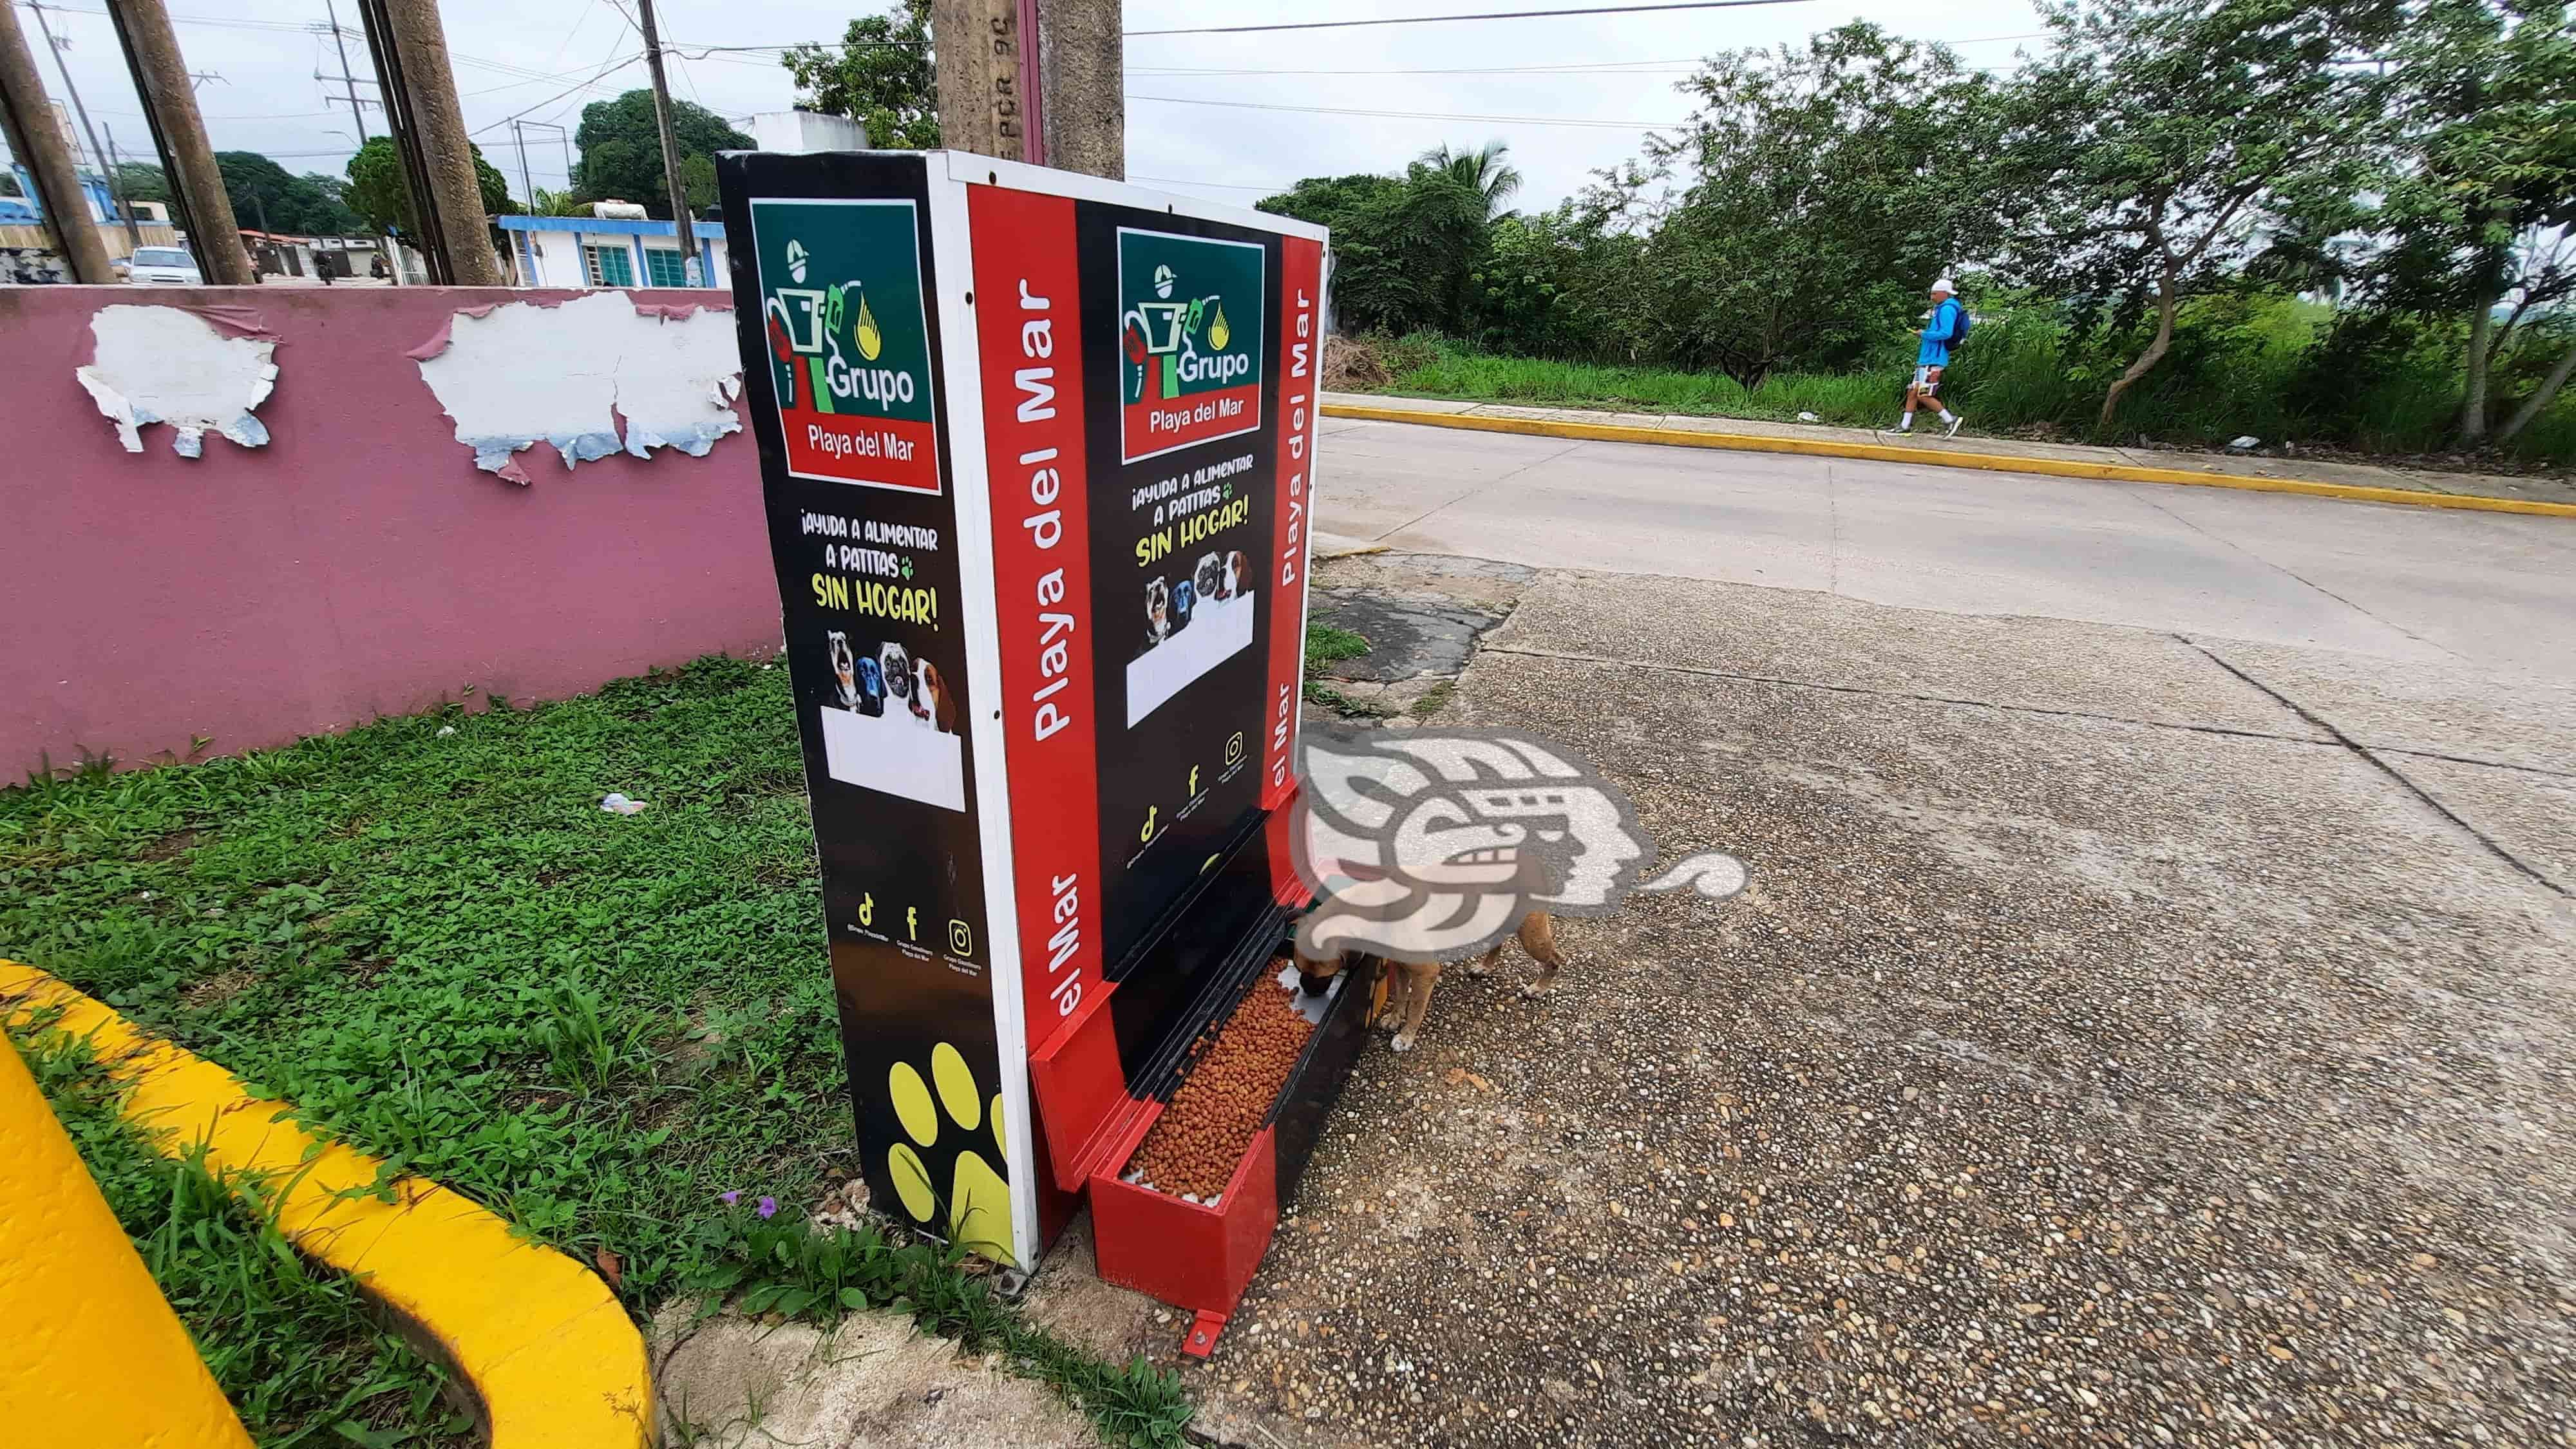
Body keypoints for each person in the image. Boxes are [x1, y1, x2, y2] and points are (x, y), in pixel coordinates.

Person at [1886, 279, 1966, 439]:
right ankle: (1905, 426)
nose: (1932, 297)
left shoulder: (1948, 309)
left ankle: (1950, 419)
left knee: (1924, 395)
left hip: (1935, 360)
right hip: (1927, 359)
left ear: (1945, 293)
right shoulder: (1941, 308)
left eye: (1934, 294)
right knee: (1913, 392)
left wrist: (1924, 334)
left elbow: (1946, 333)